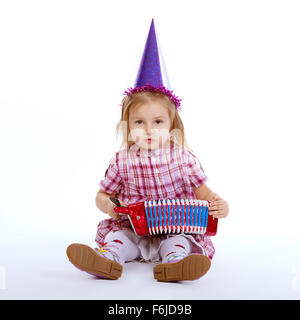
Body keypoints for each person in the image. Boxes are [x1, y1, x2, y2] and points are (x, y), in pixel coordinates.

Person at [66, 19, 229, 282]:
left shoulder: (184, 160)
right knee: (119, 239)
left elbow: (206, 194)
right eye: (139, 122)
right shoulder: (121, 161)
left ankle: (176, 265)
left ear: (171, 124)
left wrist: (220, 205)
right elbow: (101, 195)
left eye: (158, 122)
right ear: (127, 126)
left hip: (175, 228)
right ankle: (107, 260)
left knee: (177, 243)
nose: (149, 130)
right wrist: (108, 205)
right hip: (134, 228)